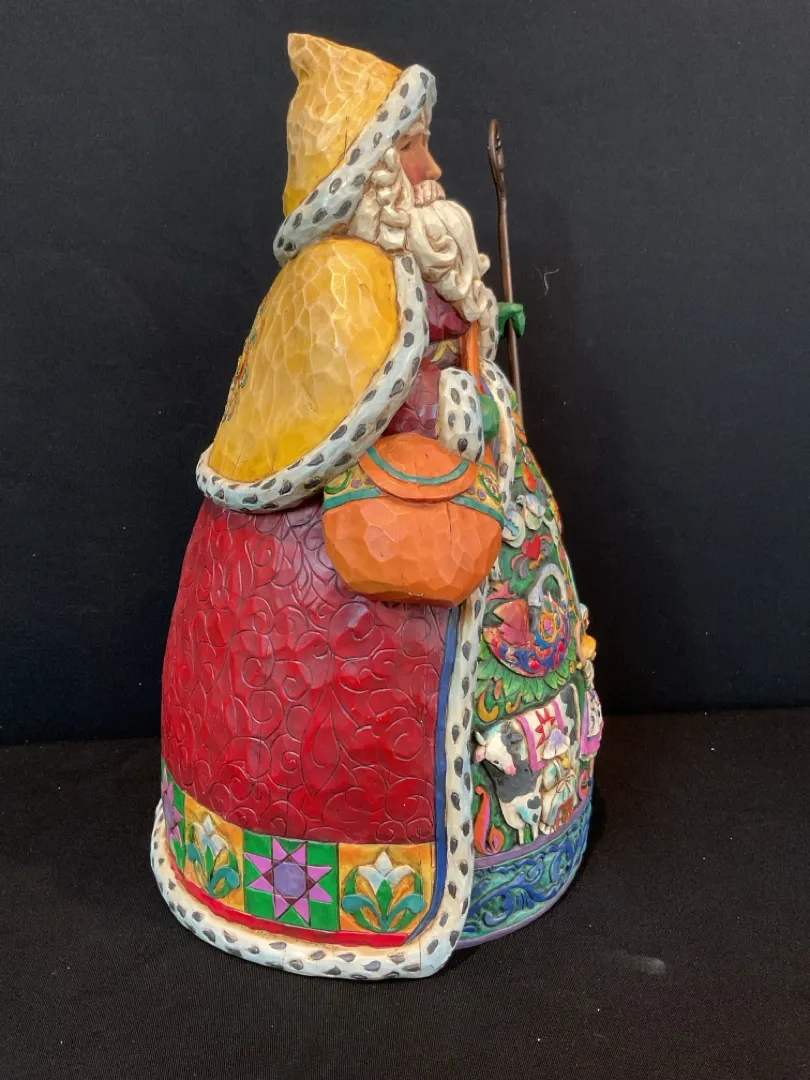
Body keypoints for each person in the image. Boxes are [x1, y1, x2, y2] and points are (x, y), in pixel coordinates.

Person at [153, 33, 600, 980]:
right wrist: (457, 399)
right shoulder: (338, 282)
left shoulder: (412, 259)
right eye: (413, 147)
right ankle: (348, 879)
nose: (432, 169)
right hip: (362, 556)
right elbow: (360, 411)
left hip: (474, 514)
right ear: (368, 169)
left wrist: (477, 352)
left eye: (428, 145)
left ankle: (521, 843)